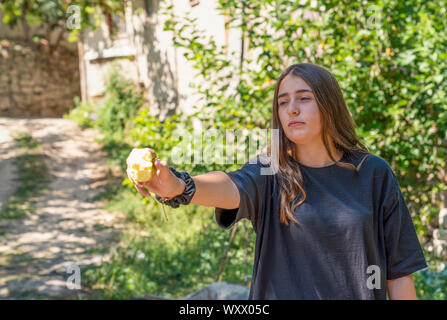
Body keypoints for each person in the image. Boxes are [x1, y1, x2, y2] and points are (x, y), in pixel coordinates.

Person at [129, 63, 428, 300]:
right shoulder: (269, 169)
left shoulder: (372, 172)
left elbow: (399, 271)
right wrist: (180, 186)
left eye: (304, 98)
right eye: (283, 103)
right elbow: (231, 186)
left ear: (330, 105)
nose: (292, 109)